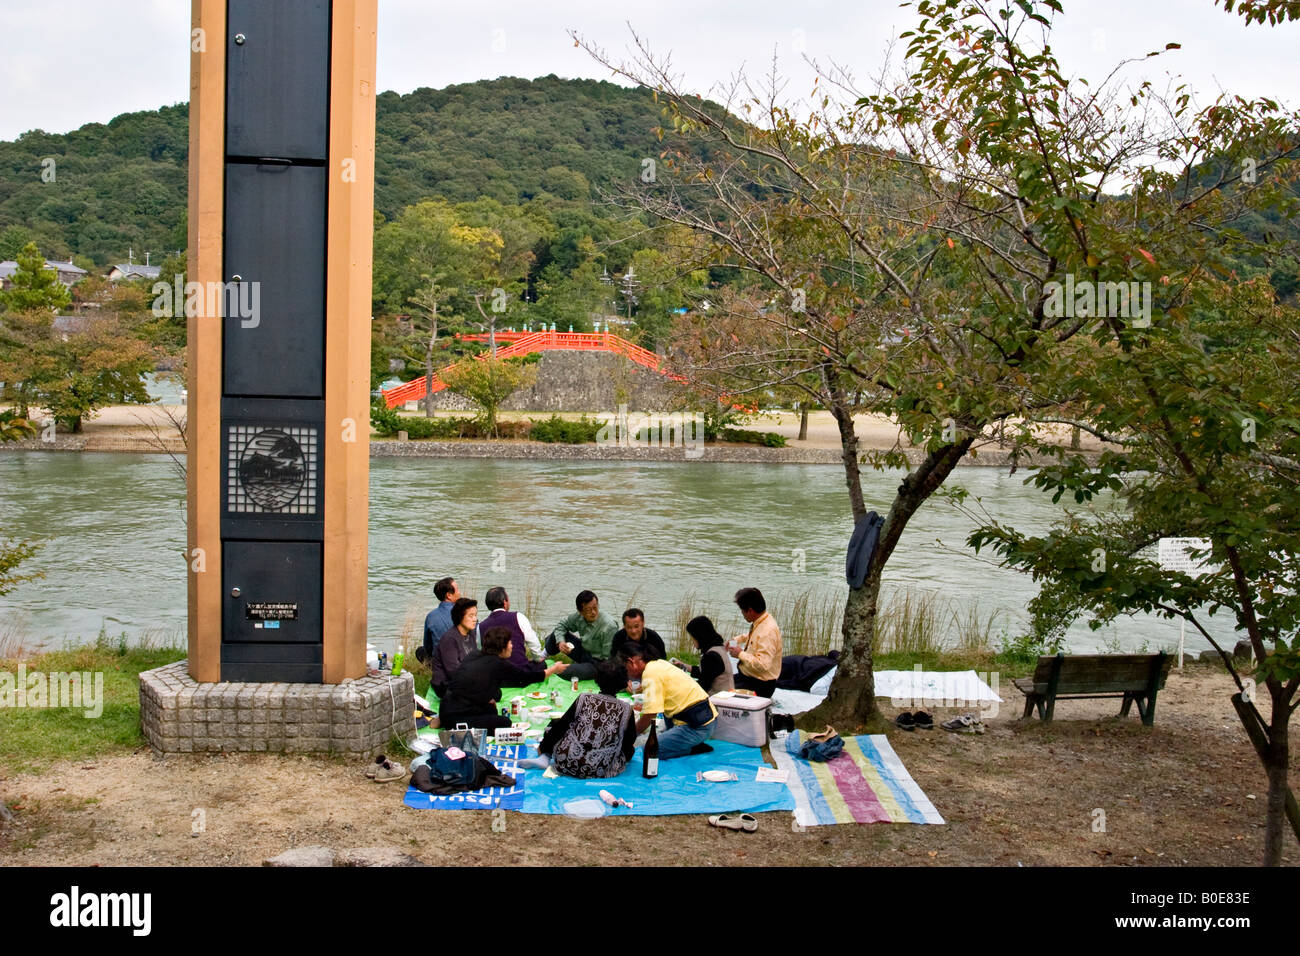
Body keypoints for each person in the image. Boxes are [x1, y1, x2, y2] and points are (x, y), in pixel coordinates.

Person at [520, 660, 637, 778]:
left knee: (556, 725)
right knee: (628, 749)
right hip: (600, 768)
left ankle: (545, 757)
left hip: (567, 761)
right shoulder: (626, 709)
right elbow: (629, 740)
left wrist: (543, 747)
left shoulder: (584, 698)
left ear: (597, 679)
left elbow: (561, 726)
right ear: (623, 683)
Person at [439, 627, 568, 731]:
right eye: (510, 643)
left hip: (449, 705)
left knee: (493, 704)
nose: (512, 646)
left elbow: (469, 684)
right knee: (504, 723)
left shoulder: (474, 654)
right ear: (502, 647)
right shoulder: (498, 663)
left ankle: (444, 719)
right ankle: (447, 723)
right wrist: (553, 670)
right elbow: (526, 677)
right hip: (456, 716)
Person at [622, 642, 717, 759]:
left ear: (631, 662)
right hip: (706, 718)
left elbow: (650, 715)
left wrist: (629, 737)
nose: (627, 673)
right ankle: (681, 742)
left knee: (648, 750)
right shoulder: (659, 663)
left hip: (697, 726)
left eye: (626, 669)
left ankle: (690, 748)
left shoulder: (650, 673)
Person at [545, 590, 618, 681]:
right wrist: (561, 642)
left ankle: (548, 670)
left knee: (564, 672)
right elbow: (562, 625)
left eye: (595, 607)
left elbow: (609, 659)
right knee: (556, 635)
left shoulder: (609, 626)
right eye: (588, 610)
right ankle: (543, 656)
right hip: (583, 651)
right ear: (580, 611)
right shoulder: (579, 616)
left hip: (597, 663)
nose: (593, 612)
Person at [728, 587, 782, 698]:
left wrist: (740, 654)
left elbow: (763, 665)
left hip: (760, 685)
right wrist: (736, 640)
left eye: (742, 611)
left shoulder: (767, 631)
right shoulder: (762, 620)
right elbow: (754, 637)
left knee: (719, 692)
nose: (742, 614)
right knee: (717, 684)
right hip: (747, 677)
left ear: (750, 610)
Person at [480, 586, 543, 670]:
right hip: (520, 671)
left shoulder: (480, 626)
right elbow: (533, 643)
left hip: (495, 674)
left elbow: (481, 651)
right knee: (542, 665)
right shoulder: (518, 617)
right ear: (504, 602)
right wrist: (538, 659)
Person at [673, 615, 734, 695]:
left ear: (700, 637)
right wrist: (684, 666)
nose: (692, 641)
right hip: (726, 694)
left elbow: (703, 685)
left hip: (718, 700)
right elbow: (706, 672)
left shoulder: (711, 656)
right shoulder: (719, 648)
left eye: (693, 638)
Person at [431, 597, 478, 698]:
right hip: (446, 685)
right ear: (460, 617)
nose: (475, 619)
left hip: (465, 680)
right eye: (471, 616)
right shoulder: (449, 639)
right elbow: (453, 671)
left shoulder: (471, 634)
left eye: (475, 615)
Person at [422, 576, 459, 663]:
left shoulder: (430, 616)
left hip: (440, 661)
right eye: (457, 590)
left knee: (420, 651)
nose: (459, 593)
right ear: (449, 595)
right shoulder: (465, 612)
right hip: (461, 659)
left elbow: (428, 646)